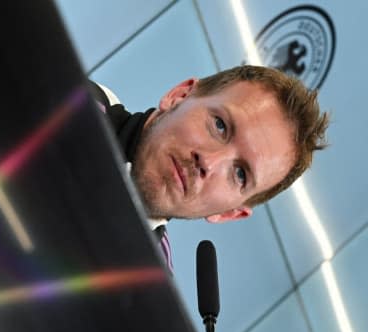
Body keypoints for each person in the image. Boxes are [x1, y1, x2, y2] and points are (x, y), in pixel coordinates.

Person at [91, 64, 329, 270]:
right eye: (220, 126)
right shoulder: (70, 102)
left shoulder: (148, 297)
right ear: (180, 95)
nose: (209, 162)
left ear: (229, 213)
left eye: (240, 174)